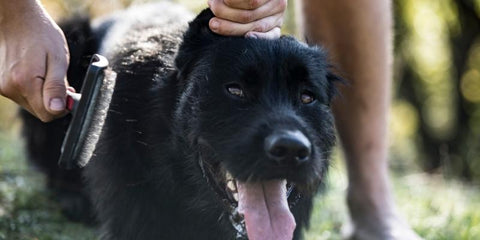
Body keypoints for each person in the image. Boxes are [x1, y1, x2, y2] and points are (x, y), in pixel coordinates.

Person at [0, 0, 420, 239]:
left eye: (307, 96)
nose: (290, 133)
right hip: (112, 56)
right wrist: (14, 16)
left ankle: (372, 203)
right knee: (71, 40)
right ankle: (64, 183)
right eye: (236, 91)